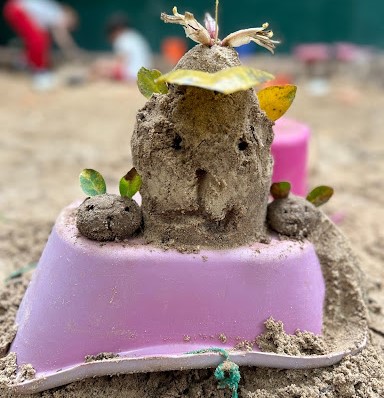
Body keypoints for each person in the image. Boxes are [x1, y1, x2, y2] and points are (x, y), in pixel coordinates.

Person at [3, 0, 79, 89]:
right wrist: (72, 51)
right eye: (69, 23)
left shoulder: (52, 14)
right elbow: (61, 36)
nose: (68, 26)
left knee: (42, 39)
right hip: (16, 8)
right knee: (37, 40)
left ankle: (22, 62)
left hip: (15, 8)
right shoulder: (57, 14)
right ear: (68, 15)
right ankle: (39, 72)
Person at [92, 12, 152, 82]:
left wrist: (100, 64)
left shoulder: (122, 38)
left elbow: (119, 63)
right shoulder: (133, 35)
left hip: (132, 76)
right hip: (144, 75)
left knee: (100, 66)